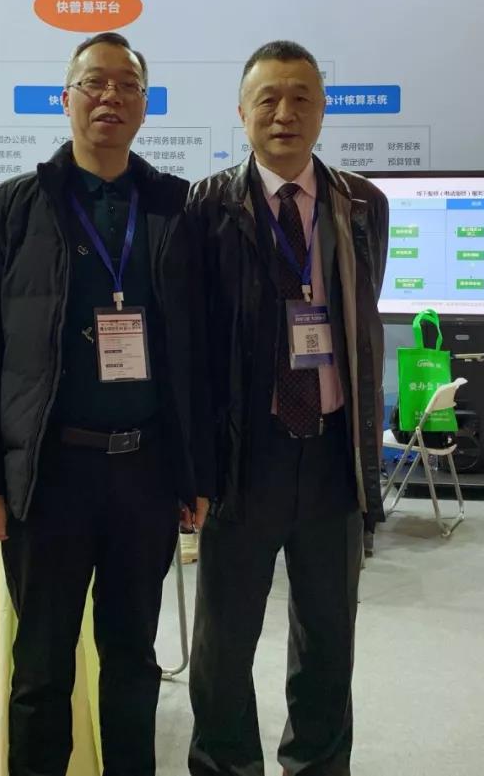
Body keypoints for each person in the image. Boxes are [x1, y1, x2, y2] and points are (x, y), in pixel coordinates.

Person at [0, 31, 212, 776]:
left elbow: (196, 357)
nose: (110, 97)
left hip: (144, 473)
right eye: (95, 82)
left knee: (133, 659)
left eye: (127, 85)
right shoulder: (11, 209)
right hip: (49, 476)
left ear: (145, 106)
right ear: (65, 99)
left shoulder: (176, 208)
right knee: (40, 667)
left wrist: (195, 472)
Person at [186, 40, 388, 776]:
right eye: (267, 98)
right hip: (246, 455)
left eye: (301, 97)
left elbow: (358, 322)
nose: (284, 113)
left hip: (333, 454)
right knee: (223, 644)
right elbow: (193, 342)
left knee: (329, 642)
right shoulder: (206, 207)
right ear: (241, 112)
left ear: (323, 110)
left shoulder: (363, 204)